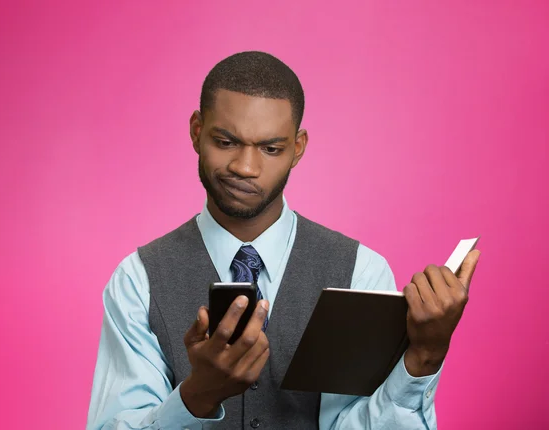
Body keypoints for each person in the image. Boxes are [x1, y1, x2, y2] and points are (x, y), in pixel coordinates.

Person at [86, 51, 480, 430]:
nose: (245, 167)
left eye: (270, 149)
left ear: (297, 148)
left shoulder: (360, 271)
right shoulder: (139, 280)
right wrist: (196, 396)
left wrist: (425, 357)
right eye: (225, 142)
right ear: (196, 131)